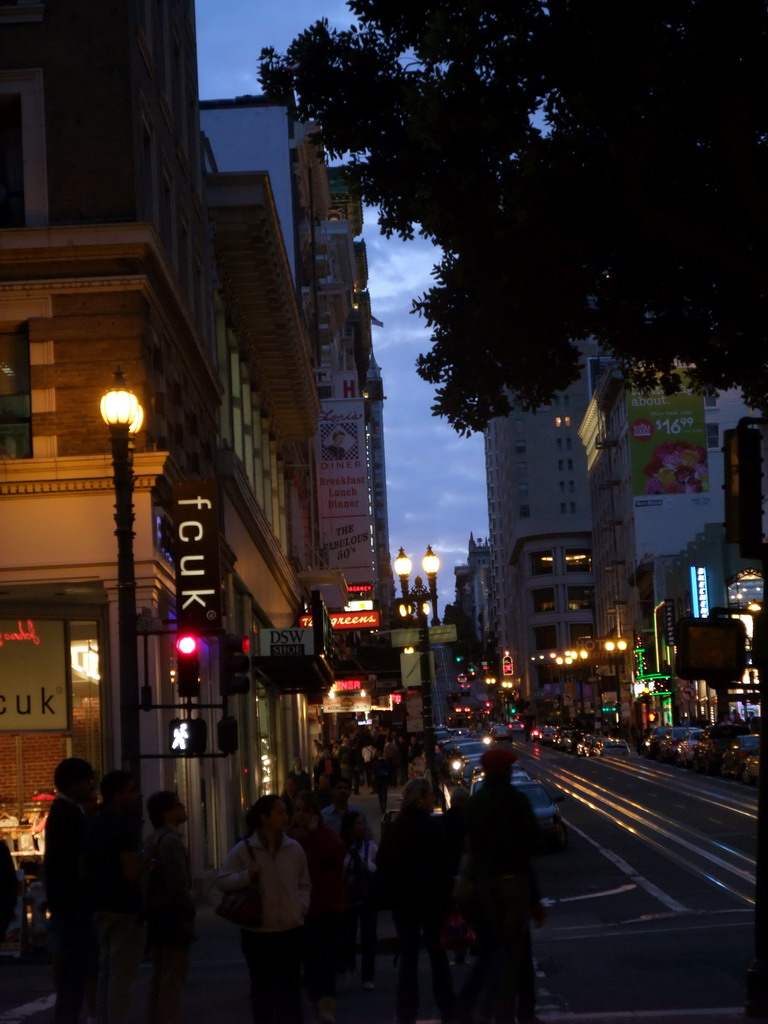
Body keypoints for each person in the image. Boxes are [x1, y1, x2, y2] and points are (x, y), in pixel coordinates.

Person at [456, 747, 542, 1024]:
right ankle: (509, 1013)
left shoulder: (476, 802)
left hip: (485, 884)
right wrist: (535, 897)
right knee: (513, 952)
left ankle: (491, 1007)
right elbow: (532, 843)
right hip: (513, 882)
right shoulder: (515, 800)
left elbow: (470, 844)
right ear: (504, 771)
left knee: (497, 947)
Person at [217, 794, 310, 1024]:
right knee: (262, 990)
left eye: (285, 812)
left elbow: (304, 883)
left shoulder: (294, 848)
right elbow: (222, 881)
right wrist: (247, 875)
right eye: (280, 812)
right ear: (264, 817)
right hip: (258, 932)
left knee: (290, 991)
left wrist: (301, 906)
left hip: (290, 929)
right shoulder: (245, 849)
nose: (285, 817)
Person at [376, 778, 457, 1024]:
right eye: (430, 795)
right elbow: (445, 867)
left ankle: (406, 1013)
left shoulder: (395, 828)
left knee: (408, 961)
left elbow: (384, 865)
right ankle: (448, 1009)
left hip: (405, 902)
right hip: (432, 901)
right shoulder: (433, 827)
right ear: (420, 799)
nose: (434, 798)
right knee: (438, 958)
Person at [82, 770, 145, 1024]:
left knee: (105, 972)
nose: (135, 795)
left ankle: (101, 1018)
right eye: (130, 790)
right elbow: (131, 872)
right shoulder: (123, 827)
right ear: (117, 795)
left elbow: (83, 867)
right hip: (124, 908)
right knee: (122, 976)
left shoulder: (93, 825)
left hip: (99, 905)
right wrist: (147, 863)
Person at [43, 757, 95, 1024]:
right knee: (74, 975)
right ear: (75, 784)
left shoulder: (61, 812)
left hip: (65, 904)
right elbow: (78, 862)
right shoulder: (70, 815)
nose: (90, 787)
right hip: (73, 906)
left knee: (70, 975)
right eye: (87, 782)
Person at [292, 792, 346, 1023]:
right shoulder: (289, 840)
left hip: (326, 907)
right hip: (301, 909)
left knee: (325, 960)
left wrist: (314, 835)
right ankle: (317, 1002)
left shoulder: (326, 835)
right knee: (310, 961)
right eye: (297, 809)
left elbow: (335, 856)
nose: (300, 815)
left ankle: (326, 1007)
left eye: (305, 809)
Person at [143, 791, 195, 1024]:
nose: (183, 808)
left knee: (160, 972)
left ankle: (155, 1017)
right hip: (173, 916)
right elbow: (178, 882)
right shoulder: (171, 841)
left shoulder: (152, 839)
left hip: (156, 914)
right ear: (167, 812)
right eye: (178, 805)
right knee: (173, 975)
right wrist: (188, 906)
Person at [340, 810, 378, 991]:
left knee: (368, 936)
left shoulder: (369, 846)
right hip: (349, 896)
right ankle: (350, 967)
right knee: (348, 935)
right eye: (358, 824)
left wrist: (367, 866)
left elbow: (378, 867)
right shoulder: (341, 848)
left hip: (366, 896)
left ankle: (368, 974)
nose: (361, 828)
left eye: (362, 824)